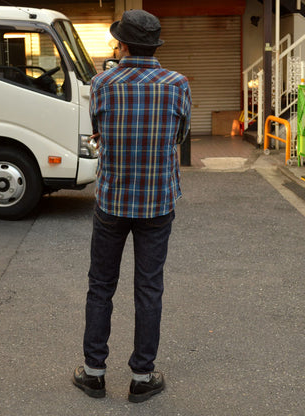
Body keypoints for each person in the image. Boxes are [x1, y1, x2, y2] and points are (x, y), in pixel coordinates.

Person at [73, 9, 191, 403]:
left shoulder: (102, 83)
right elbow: (181, 134)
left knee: (101, 285)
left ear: (122, 45)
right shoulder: (176, 84)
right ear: (154, 46)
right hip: (157, 202)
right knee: (149, 288)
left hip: (113, 198)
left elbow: (98, 130)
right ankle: (142, 377)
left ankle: (94, 373)